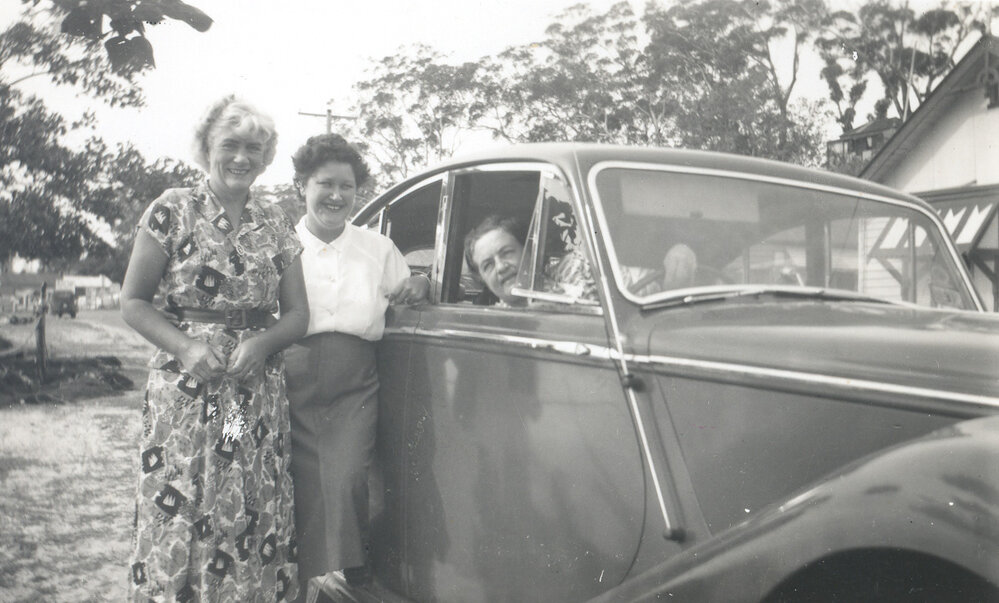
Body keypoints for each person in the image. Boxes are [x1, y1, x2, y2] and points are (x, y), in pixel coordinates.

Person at [121, 96, 308, 601]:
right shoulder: (173, 208)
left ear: (266, 156)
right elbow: (133, 302)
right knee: (182, 490)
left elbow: (297, 315)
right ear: (207, 147)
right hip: (187, 390)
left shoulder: (276, 220)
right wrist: (185, 348)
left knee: (238, 488)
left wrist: (262, 343)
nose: (241, 157)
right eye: (230, 145)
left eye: (254, 148)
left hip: (248, 392)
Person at [284, 133, 429, 596]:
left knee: (348, 477)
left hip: (354, 382)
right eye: (324, 184)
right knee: (291, 481)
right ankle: (290, 580)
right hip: (287, 379)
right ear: (302, 186)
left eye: (346, 186)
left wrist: (422, 282)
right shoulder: (278, 245)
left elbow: (410, 287)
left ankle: (348, 567)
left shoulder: (377, 247)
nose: (336, 195)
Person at [464, 214, 698, 306]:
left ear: (528, 251)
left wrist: (681, 254)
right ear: (481, 278)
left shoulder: (575, 268)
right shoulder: (493, 322)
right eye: (488, 265)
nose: (501, 267)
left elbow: (657, 285)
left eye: (507, 252)